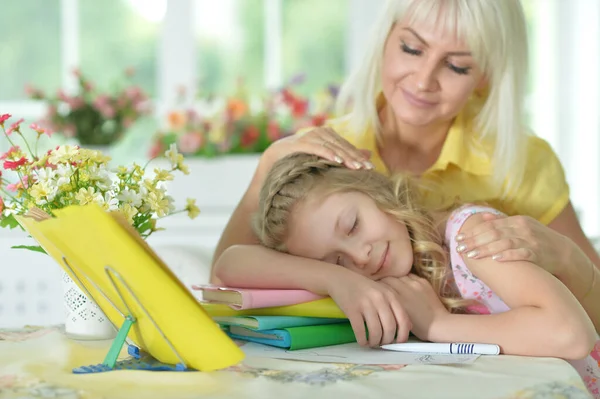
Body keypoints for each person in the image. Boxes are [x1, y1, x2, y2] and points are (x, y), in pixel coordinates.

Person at [210, 0, 600, 331]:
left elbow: (590, 319)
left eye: (457, 66)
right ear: (384, 40)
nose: (423, 81)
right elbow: (224, 282)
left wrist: (566, 259)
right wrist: (333, 274)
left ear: (485, 76)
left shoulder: (520, 161)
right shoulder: (331, 157)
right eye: (412, 49)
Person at [214, 152, 600, 398]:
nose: (359, 256)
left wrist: (439, 324)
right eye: (335, 260)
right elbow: (229, 265)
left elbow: (570, 334)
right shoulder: (382, 278)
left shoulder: (469, 236)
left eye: (352, 225)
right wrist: (333, 280)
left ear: (371, 189)